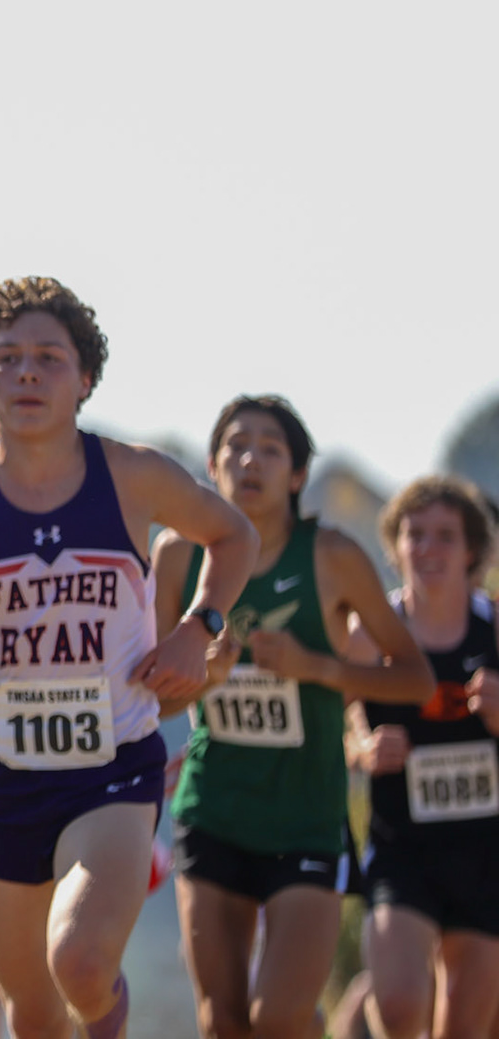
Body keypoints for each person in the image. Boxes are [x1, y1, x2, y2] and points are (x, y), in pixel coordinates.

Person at [0, 276, 259, 1039]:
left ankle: (108, 1013)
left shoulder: (131, 473)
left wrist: (197, 625)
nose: (27, 372)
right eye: (8, 357)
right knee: (30, 1014)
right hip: (2, 773)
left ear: (84, 378)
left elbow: (234, 535)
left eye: (49, 358)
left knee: (81, 964)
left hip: (112, 764)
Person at [157, 395, 432, 1039]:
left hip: (305, 822)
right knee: (223, 1023)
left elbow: (416, 678)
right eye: (236, 444)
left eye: (271, 448)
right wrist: (206, 675)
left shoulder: (330, 556)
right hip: (213, 811)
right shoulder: (178, 556)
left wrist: (321, 669)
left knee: (277, 1019)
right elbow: (149, 700)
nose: (250, 459)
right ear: (211, 463)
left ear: (298, 475)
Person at [347, 475, 499, 1039]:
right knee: (399, 1003)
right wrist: (362, 748)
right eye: (415, 534)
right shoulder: (373, 635)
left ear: (472, 552)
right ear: (395, 546)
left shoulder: (495, 628)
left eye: (445, 536)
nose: (428, 549)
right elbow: (339, 713)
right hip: (402, 850)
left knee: (464, 1029)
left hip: (486, 856)